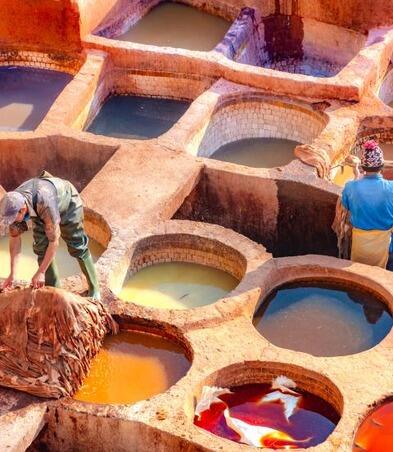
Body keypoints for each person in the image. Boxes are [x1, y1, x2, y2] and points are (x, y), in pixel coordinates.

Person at [0, 171, 100, 299]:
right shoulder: (13, 202)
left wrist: (40, 272)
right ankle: (54, 289)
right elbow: (14, 238)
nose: (12, 222)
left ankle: (95, 288)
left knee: (77, 244)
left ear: (23, 210)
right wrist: (12, 274)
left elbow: (54, 242)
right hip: (38, 208)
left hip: (67, 203)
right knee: (40, 247)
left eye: (14, 219)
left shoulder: (45, 204)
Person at [341, 140, 393, 269]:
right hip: (383, 243)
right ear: (382, 167)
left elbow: (346, 205)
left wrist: (356, 174)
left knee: (358, 271)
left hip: (360, 241)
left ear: (362, 167)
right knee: (379, 275)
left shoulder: (350, 186)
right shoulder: (391, 188)